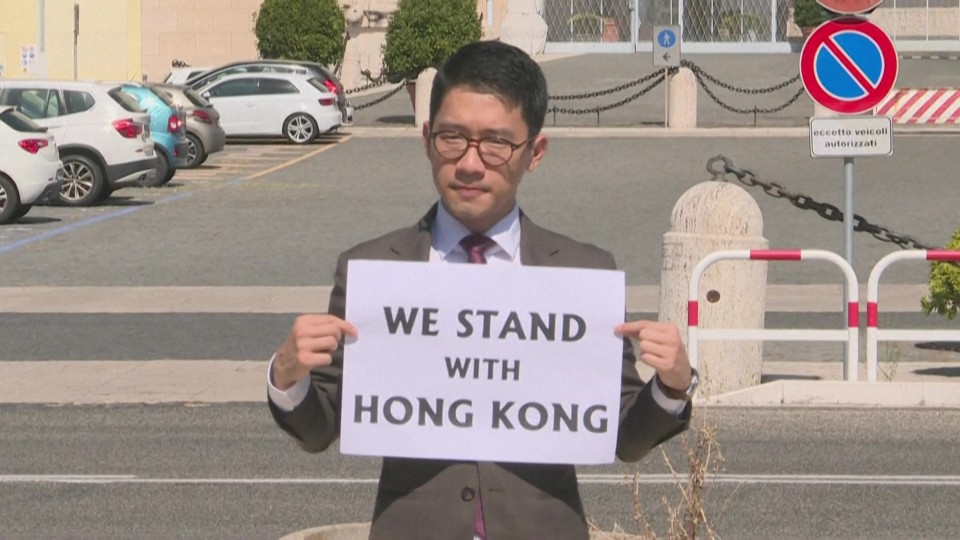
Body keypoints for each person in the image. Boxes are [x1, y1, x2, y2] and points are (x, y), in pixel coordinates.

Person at [267, 40, 696, 540]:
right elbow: (321, 428)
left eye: (496, 143)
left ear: (535, 152)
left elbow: (623, 437)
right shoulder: (372, 270)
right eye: (452, 138)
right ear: (426, 139)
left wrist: (671, 386)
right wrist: (287, 374)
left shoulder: (583, 273)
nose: (470, 163)